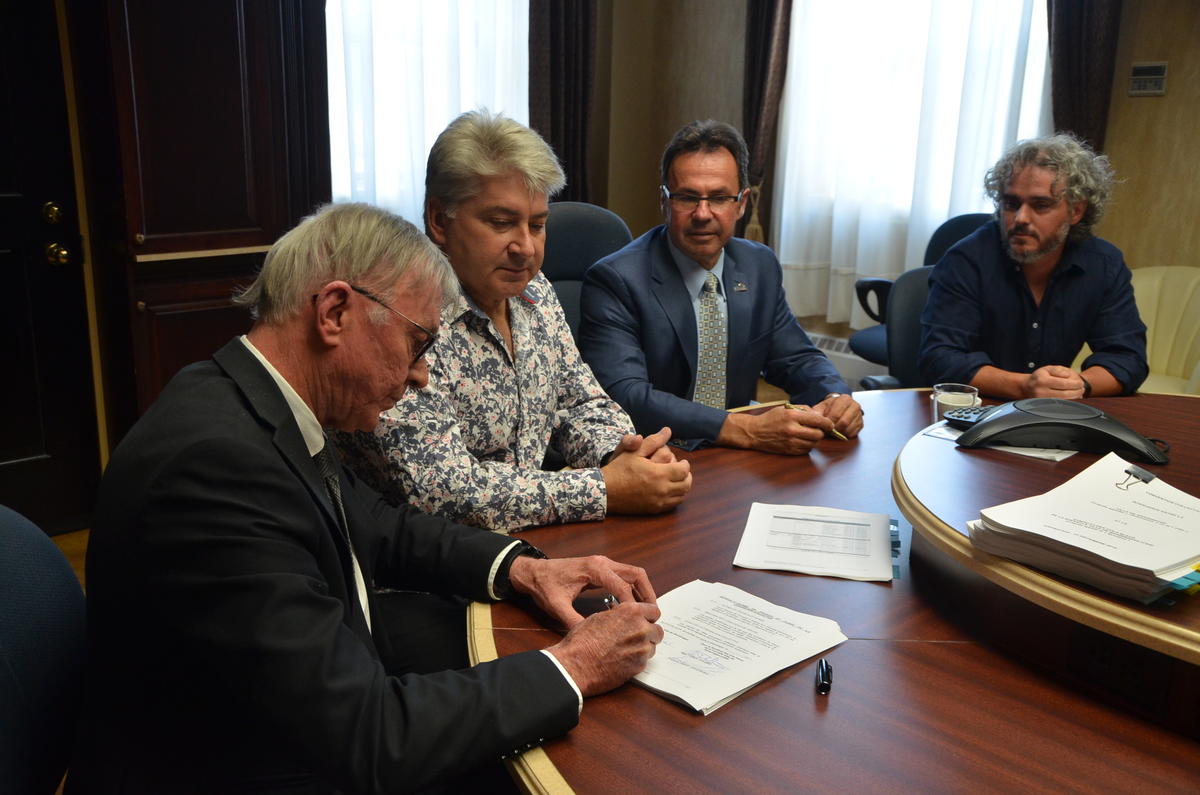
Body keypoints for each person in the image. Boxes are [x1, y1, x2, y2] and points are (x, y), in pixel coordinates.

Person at [69, 203, 665, 794]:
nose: (422, 374)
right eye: (417, 342)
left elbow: (379, 525)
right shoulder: (215, 468)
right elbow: (371, 737)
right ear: (334, 312)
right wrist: (576, 667)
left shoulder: (252, 397)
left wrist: (524, 570)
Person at [335, 111, 691, 532]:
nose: (526, 247)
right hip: (434, 556)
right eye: (502, 223)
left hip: (543, 536)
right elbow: (442, 491)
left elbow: (579, 403)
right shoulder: (395, 313)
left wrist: (623, 455)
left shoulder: (534, 291)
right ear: (439, 220)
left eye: (537, 225)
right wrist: (605, 488)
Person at [578, 119, 863, 454]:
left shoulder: (759, 265)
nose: (703, 214)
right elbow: (625, 394)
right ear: (664, 201)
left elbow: (796, 357)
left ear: (741, 203)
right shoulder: (616, 279)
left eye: (719, 198)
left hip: (740, 452)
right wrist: (743, 429)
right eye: (687, 198)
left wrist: (833, 397)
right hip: (656, 453)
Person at [919, 133, 1147, 399]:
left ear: (1076, 211)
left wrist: (1079, 385)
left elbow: (1128, 359)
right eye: (1011, 204)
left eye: (1041, 205)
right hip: (971, 409)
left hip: (1053, 414)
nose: (1020, 218)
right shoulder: (966, 260)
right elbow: (940, 359)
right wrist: (1025, 387)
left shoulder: (1103, 265)